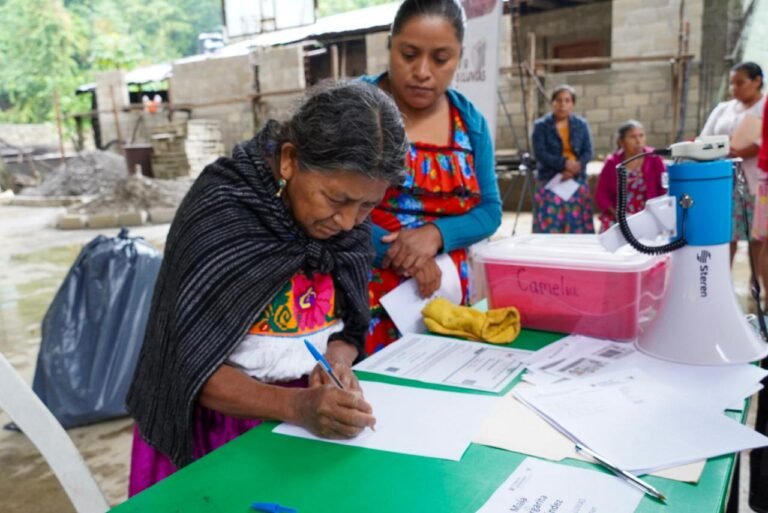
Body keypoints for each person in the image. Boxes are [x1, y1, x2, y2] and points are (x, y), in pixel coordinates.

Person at [125, 81, 408, 495]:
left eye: (367, 206)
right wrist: (293, 406)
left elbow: (349, 329)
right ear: (291, 159)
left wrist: (336, 363)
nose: (348, 222)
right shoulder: (223, 210)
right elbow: (185, 365)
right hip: (216, 431)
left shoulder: (345, 232)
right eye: (336, 199)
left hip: (310, 424)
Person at [361, 0, 502, 353]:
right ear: (390, 44)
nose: (423, 71)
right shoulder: (355, 109)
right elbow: (319, 204)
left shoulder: (470, 123)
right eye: (409, 54)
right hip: (360, 300)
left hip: (446, 301)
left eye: (441, 59)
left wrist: (436, 235)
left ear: (458, 56)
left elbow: (489, 210)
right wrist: (399, 254)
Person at [700, 61, 766, 288]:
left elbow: (762, 143)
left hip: (755, 180)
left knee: (758, 236)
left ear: (757, 81)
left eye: (740, 82)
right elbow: (705, 137)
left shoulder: (764, 106)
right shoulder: (723, 109)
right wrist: (721, 150)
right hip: (723, 179)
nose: (734, 88)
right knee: (725, 233)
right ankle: (722, 283)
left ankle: (756, 282)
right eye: (731, 84)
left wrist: (740, 151)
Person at [531, 85, 595, 234]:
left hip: (576, 177)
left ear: (573, 104)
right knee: (550, 222)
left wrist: (574, 169)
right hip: (550, 179)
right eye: (559, 100)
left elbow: (588, 151)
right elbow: (540, 153)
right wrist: (564, 165)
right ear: (552, 103)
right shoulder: (541, 126)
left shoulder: (581, 125)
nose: (563, 104)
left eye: (567, 100)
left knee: (578, 223)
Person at [595, 120, 667, 232]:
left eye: (641, 136)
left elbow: (664, 190)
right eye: (632, 137)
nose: (638, 141)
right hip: (618, 216)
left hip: (649, 215)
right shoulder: (612, 163)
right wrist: (618, 215)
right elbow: (601, 195)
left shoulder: (654, 159)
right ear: (621, 142)